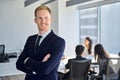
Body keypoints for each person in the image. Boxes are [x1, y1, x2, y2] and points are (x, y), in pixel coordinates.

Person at [16, 5, 65, 80]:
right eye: (40, 18)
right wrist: (39, 66)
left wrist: (27, 60)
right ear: (35, 20)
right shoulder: (30, 39)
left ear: (51, 19)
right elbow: (19, 64)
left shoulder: (59, 42)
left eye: (46, 18)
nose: (43, 21)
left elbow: (45, 69)